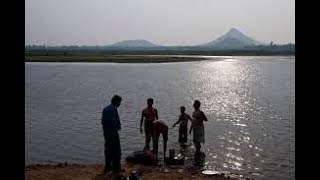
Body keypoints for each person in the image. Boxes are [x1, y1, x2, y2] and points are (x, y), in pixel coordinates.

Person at [101, 95, 124, 174]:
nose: (120, 104)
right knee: (117, 151)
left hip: (106, 133)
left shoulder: (105, 109)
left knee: (108, 151)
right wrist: (117, 127)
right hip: (113, 133)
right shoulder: (114, 109)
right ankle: (116, 169)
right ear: (117, 102)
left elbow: (103, 122)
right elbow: (114, 123)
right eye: (120, 102)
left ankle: (107, 167)